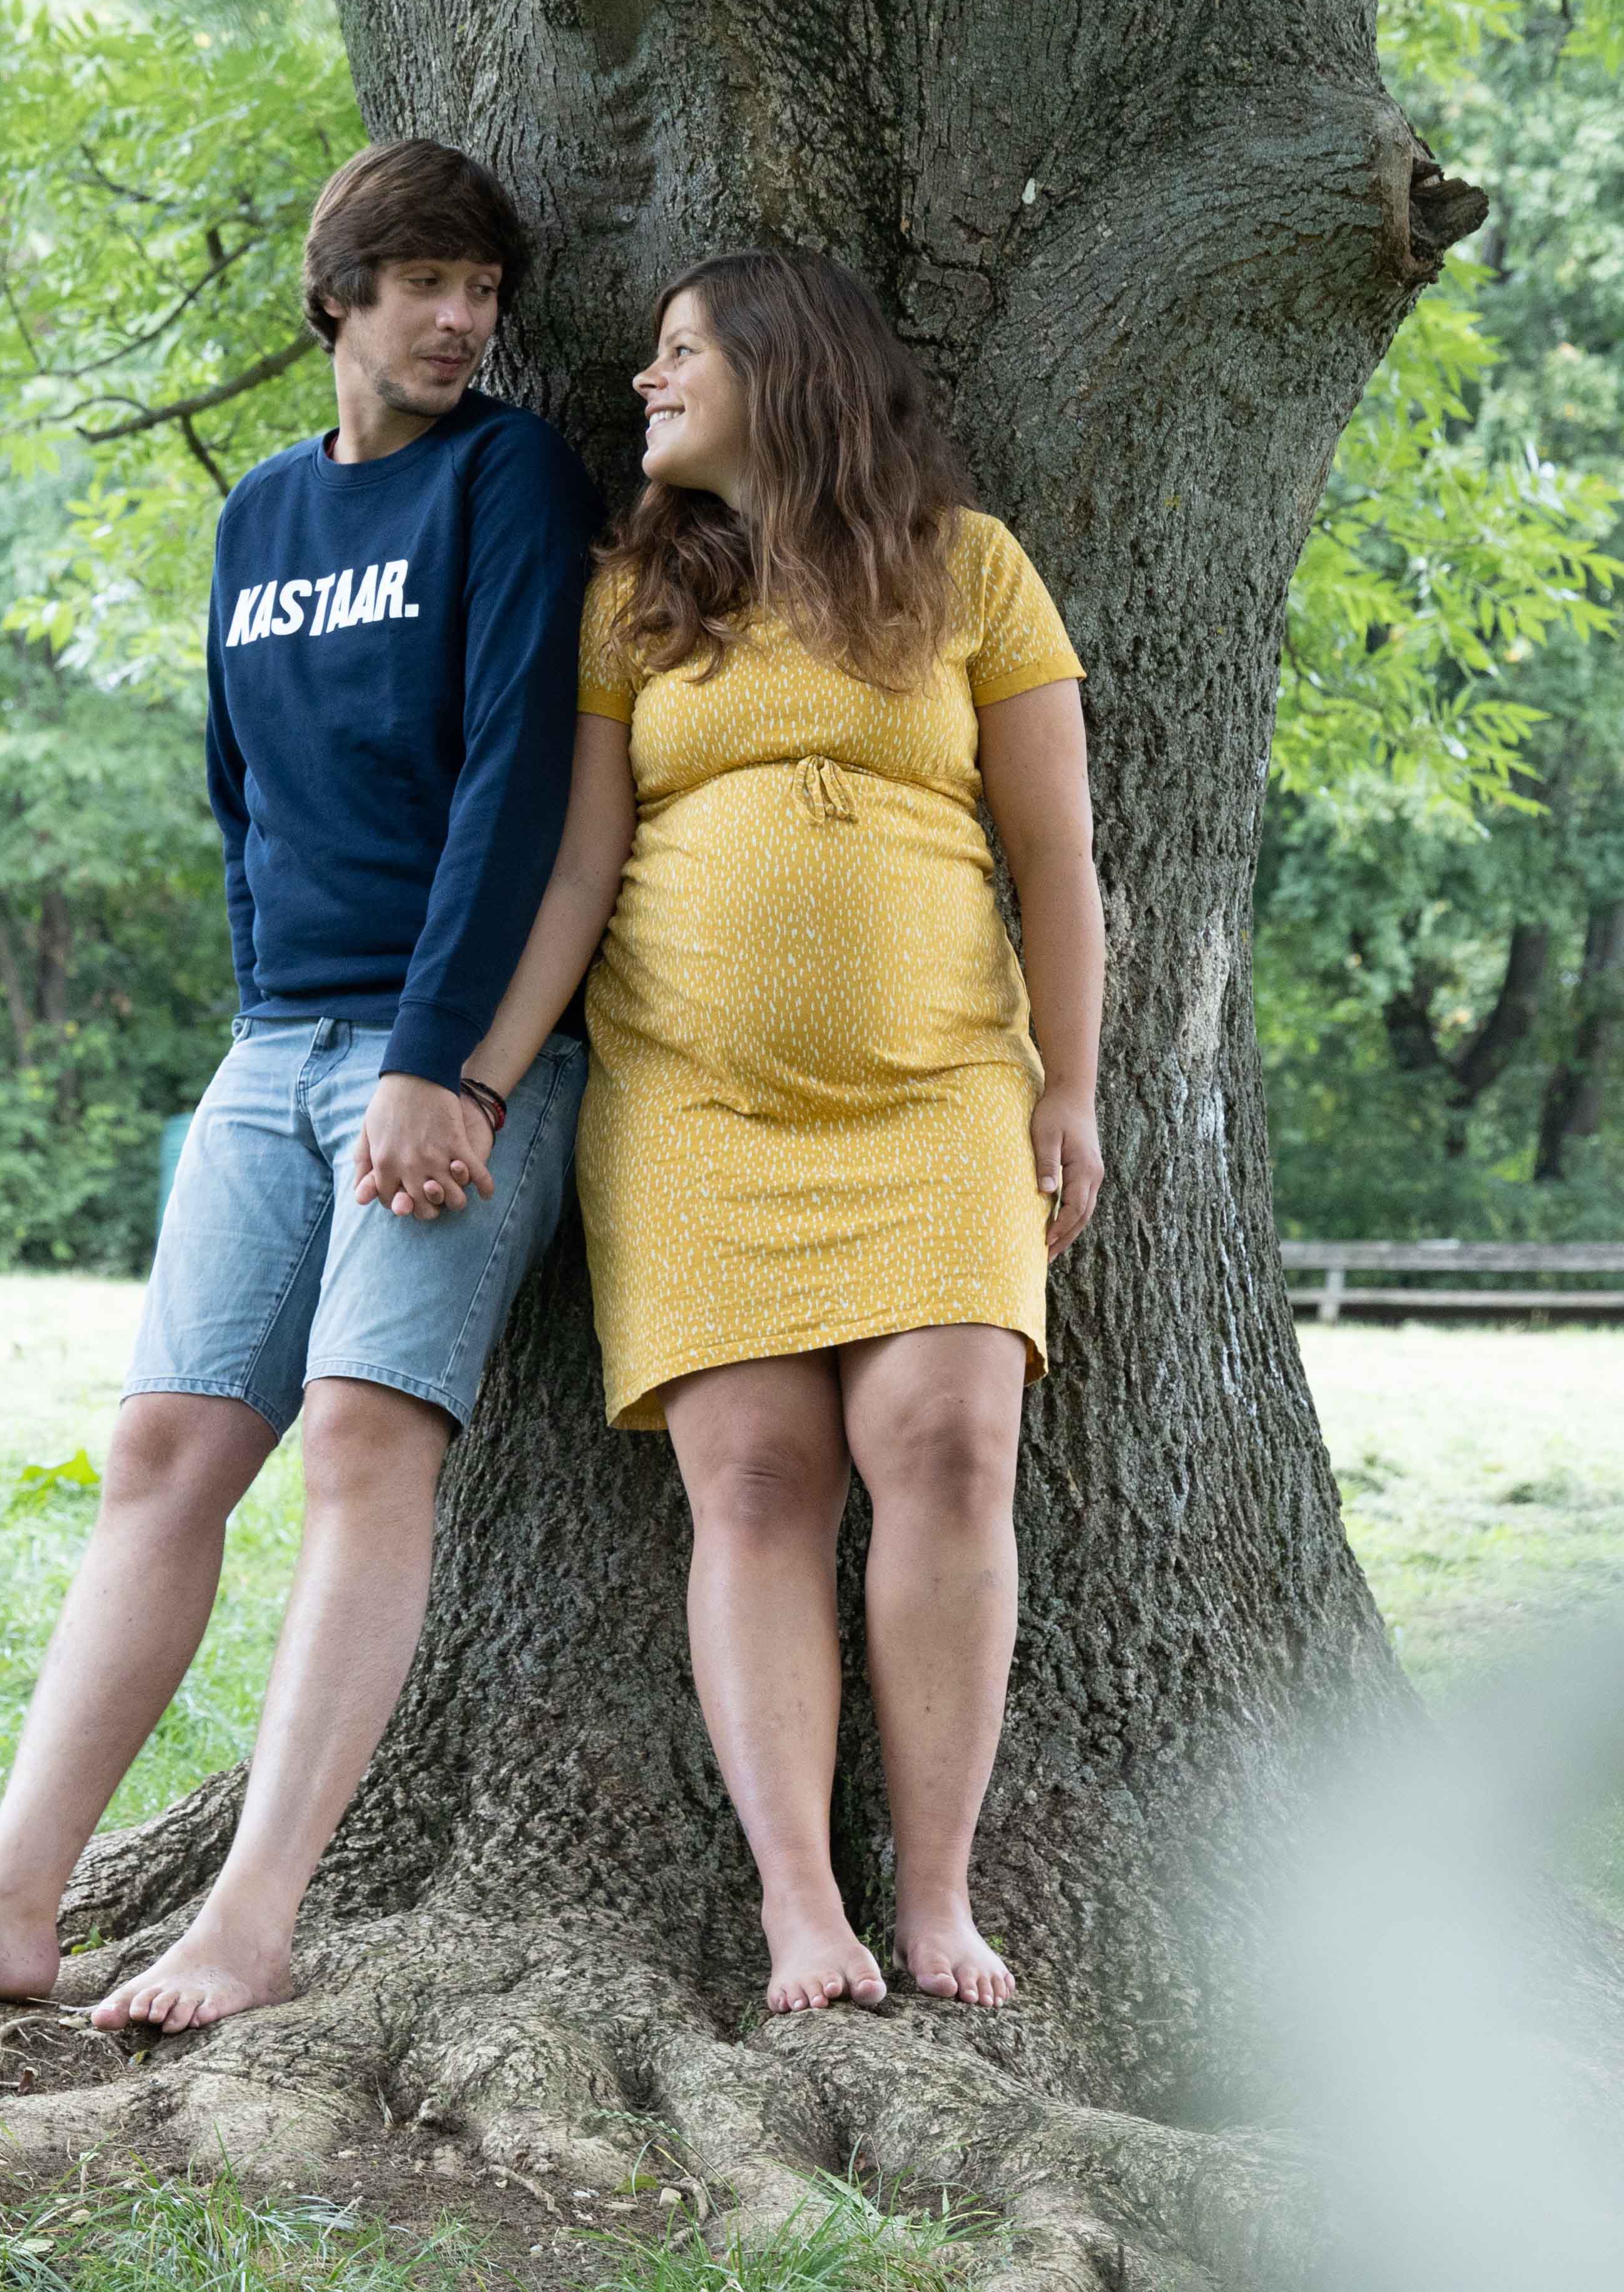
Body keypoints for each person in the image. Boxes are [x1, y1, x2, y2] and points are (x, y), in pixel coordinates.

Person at [0, 140, 600, 2032]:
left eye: (484, 289)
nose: (463, 321)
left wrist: (443, 1068)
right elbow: (240, 799)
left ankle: (253, 1916)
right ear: (339, 299)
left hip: (455, 1057)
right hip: (276, 1044)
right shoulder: (262, 523)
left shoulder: (511, 481)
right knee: (162, 1453)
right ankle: (6, 1900)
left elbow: (513, 791)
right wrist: (269, 1012)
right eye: (424, 286)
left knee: (367, 1444)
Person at [454, 248, 1106, 2016]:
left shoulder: (971, 572)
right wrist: (483, 1079)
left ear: (785, 370)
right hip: (697, 1109)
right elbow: (582, 869)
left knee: (954, 1449)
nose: (649, 383)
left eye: (684, 355)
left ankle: (941, 1899)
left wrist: (1073, 1085)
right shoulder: (631, 603)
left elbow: (1057, 860)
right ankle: (801, 1904)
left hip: (938, 1097)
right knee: (754, 1482)